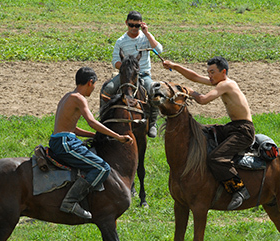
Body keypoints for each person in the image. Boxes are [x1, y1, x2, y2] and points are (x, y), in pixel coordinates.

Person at [163, 57, 255, 210]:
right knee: (203, 132)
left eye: (212, 72)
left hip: (243, 131)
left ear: (223, 72)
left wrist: (189, 92)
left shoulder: (226, 84)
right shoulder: (220, 82)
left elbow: (203, 100)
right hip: (232, 127)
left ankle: (239, 189)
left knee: (217, 158)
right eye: (208, 73)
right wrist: (175, 66)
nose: (209, 76)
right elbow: (194, 77)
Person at [49, 66, 133, 219]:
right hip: (65, 143)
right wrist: (117, 137)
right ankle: (70, 201)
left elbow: (72, 128)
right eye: (94, 85)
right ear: (90, 82)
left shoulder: (67, 96)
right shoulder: (79, 98)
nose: (93, 89)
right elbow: (92, 121)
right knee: (101, 168)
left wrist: (95, 136)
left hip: (62, 139)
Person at [102, 10, 163, 138]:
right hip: (126, 75)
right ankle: (103, 119)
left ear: (141, 25)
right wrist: (126, 68)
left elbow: (159, 50)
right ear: (126, 23)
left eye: (137, 25)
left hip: (143, 74)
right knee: (107, 89)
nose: (134, 28)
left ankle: (152, 123)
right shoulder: (121, 41)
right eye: (131, 25)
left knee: (154, 91)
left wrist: (146, 32)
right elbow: (115, 61)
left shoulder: (145, 37)